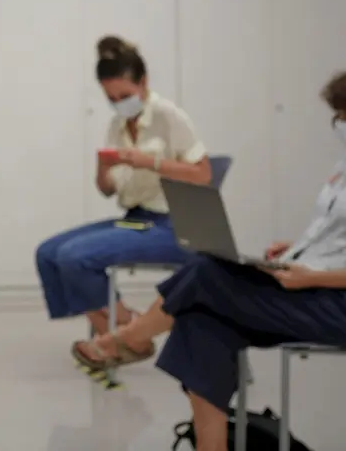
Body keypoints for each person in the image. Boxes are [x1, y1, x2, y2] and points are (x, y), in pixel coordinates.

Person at [74, 70, 346, 451]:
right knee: (201, 320)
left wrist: (313, 279)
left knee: (205, 274)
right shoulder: (342, 165)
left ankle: (130, 339)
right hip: (309, 282)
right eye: (339, 118)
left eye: (344, 117)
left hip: (334, 301)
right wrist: (297, 247)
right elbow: (335, 232)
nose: (340, 126)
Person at [35, 36, 212, 360]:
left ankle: (124, 338)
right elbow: (107, 189)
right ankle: (125, 333)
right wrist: (102, 169)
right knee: (48, 254)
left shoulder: (167, 115)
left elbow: (203, 175)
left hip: (175, 225)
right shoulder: (118, 124)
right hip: (138, 219)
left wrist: (148, 161)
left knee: (75, 257)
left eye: (126, 95)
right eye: (112, 98)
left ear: (143, 83)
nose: (119, 103)